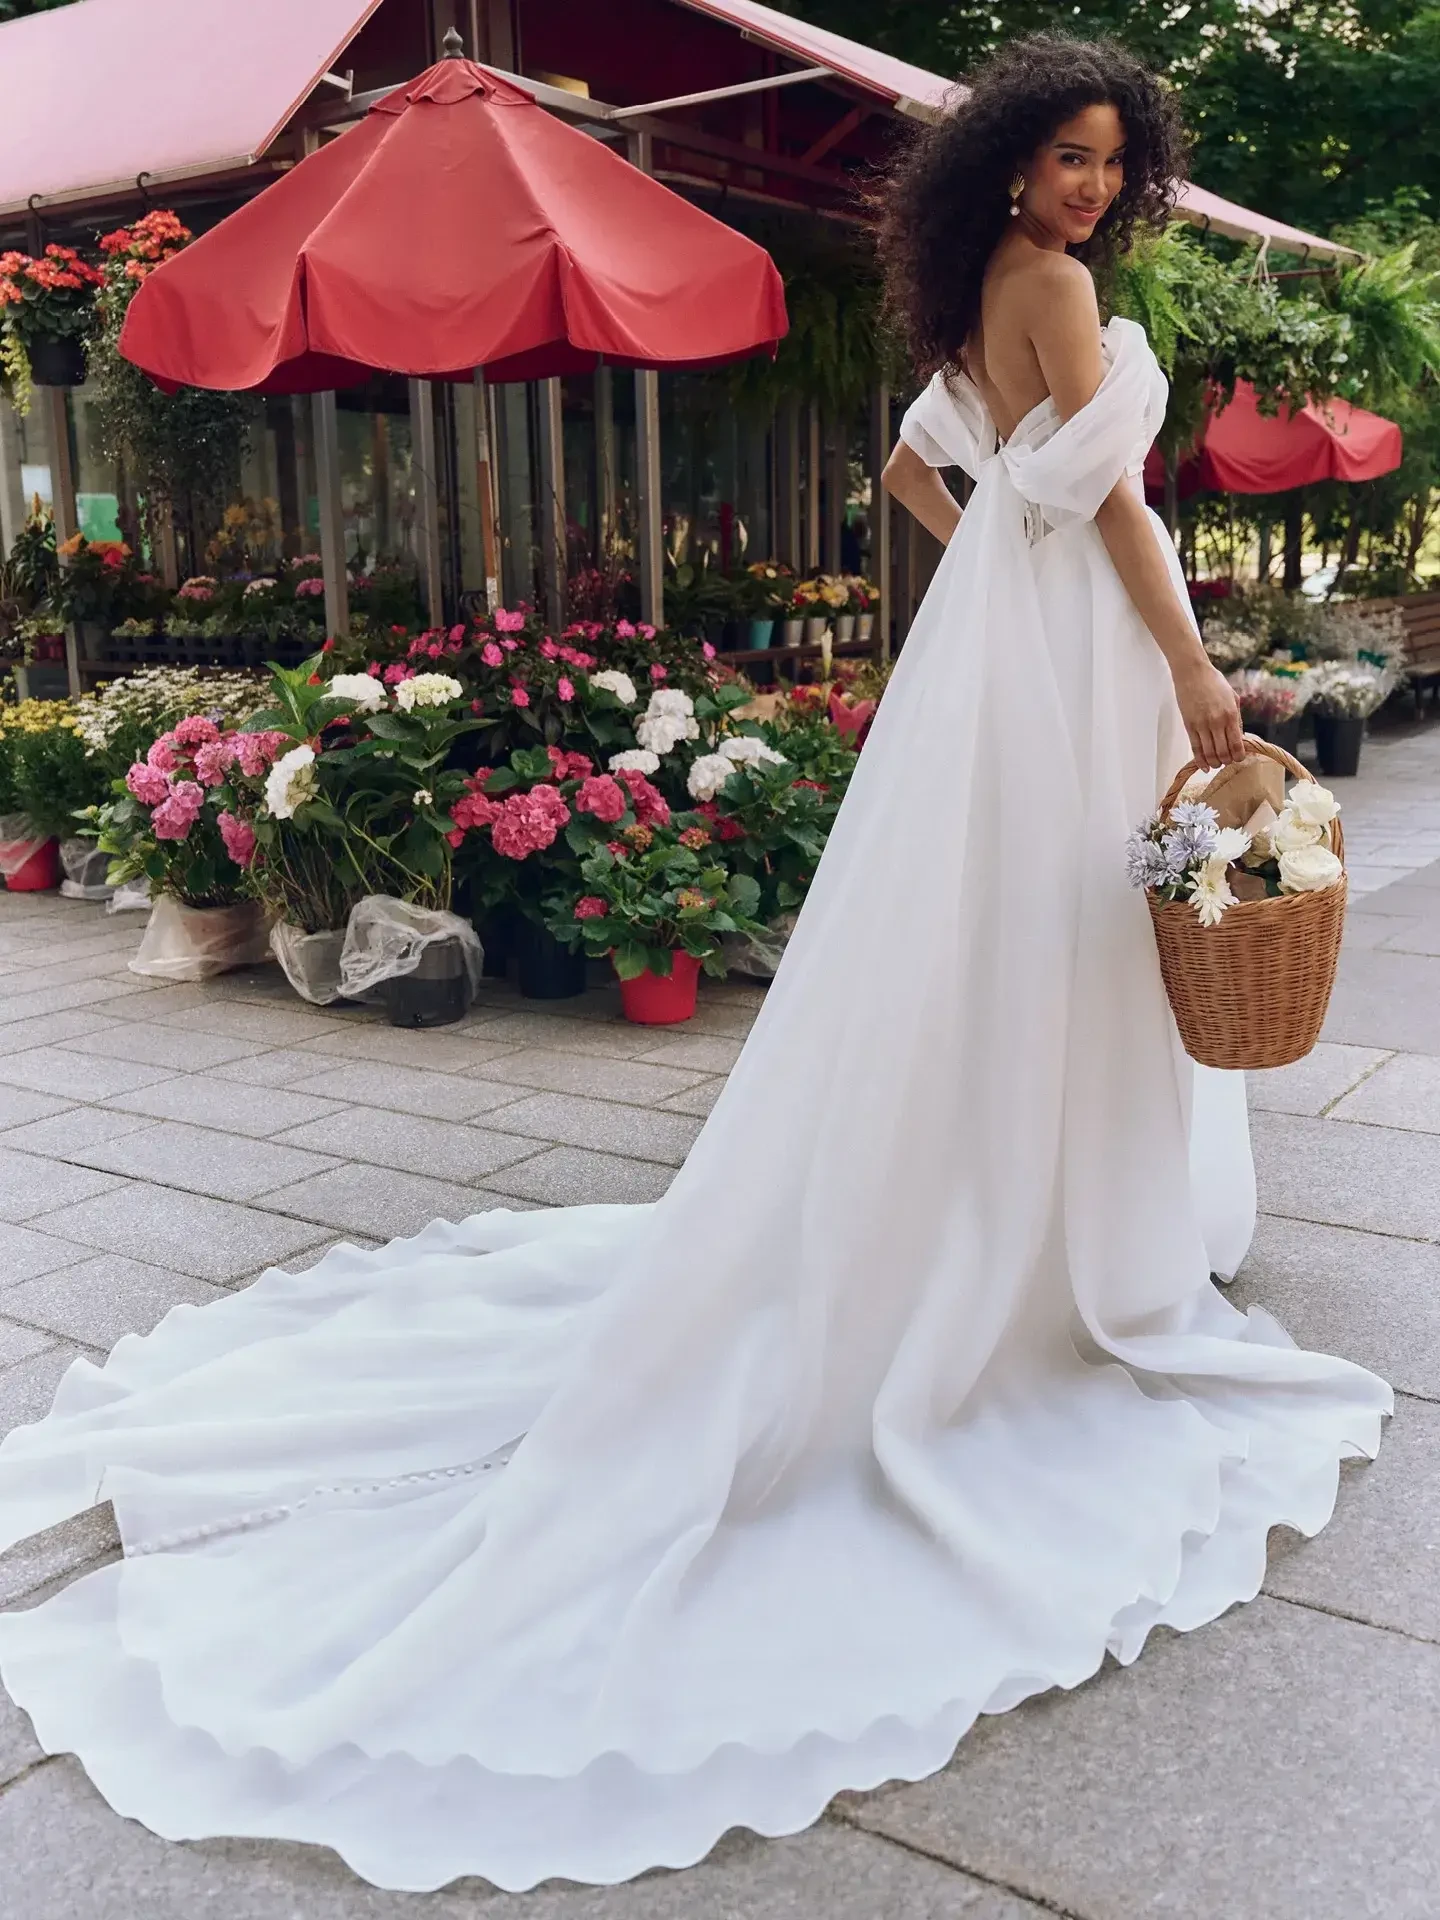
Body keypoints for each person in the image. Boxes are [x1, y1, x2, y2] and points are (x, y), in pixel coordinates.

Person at [0, 35, 1389, 1897]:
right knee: (1061, 921)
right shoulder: (1052, 289)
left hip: (1003, 645)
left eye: (1104, 161)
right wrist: (1191, 667)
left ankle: (1007, 1208)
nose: (1084, 186)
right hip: (1071, 647)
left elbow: (918, 466)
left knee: (1005, 921)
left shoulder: (989, 286)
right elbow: (1125, 506)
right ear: (1010, 170)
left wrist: (1000, 556)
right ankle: (1054, 1233)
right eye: (1062, 157)